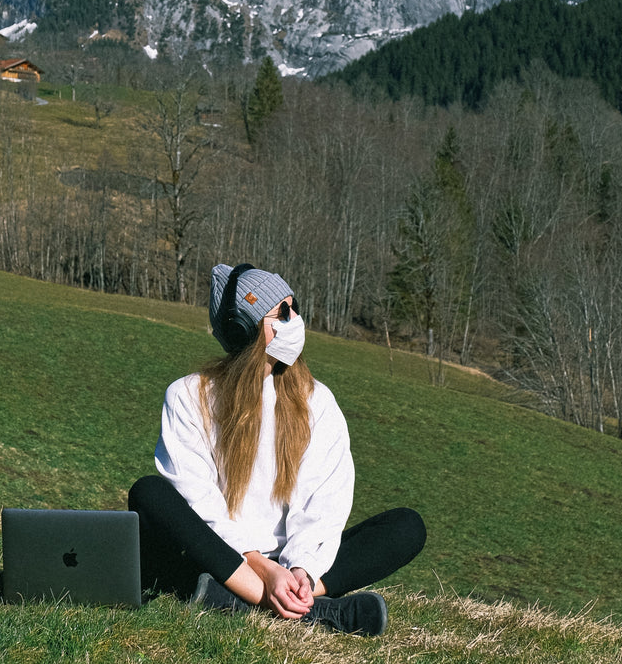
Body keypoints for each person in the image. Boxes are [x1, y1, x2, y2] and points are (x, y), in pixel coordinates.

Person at [128, 263, 426, 636]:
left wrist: (299, 569)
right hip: (225, 557)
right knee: (149, 494)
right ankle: (310, 612)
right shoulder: (189, 396)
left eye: (294, 307)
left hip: (291, 563)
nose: (295, 319)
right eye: (282, 312)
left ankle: (261, 599)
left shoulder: (316, 400)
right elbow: (198, 502)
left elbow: (324, 501)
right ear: (244, 330)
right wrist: (262, 571)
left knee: (406, 527)